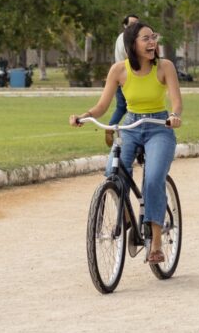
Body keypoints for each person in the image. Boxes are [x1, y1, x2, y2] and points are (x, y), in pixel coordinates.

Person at [69, 22, 183, 264]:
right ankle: (129, 217)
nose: (152, 42)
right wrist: (84, 116)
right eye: (146, 38)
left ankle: (156, 243)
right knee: (113, 171)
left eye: (153, 37)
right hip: (130, 126)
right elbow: (102, 106)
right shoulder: (119, 71)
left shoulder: (165, 67)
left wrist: (174, 116)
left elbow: (176, 102)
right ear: (132, 44)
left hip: (159, 127)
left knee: (153, 179)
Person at [104, 14, 139, 147]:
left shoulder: (122, 37)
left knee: (123, 106)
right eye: (132, 24)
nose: (135, 26)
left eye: (137, 23)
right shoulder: (126, 38)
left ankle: (112, 127)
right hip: (126, 77)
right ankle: (113, 127)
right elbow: (129, 56)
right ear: (125, 25)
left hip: (123, 76)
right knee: (129, 107)